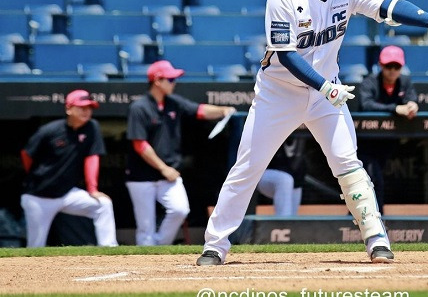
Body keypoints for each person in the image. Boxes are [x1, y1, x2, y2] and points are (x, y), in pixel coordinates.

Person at [196, 0, 428, 266]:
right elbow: (286, 55)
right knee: (248, 167)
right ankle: (215, 244)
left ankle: (376, 238)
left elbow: (387, 5)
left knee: (348, 163)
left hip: (326, 93)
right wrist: (324, 85)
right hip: (281, 93)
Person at [125, 60, 235, 246]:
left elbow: (199, 111)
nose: (174, 82)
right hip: (142, 176)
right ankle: (146, 257)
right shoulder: (139, 107)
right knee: (146, 227)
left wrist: (222, 110)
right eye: (170, 79)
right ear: (158, 81)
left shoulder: (173, 102)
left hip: (169, 174)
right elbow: (139, 144)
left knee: (180, 209)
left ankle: (158, 246)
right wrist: (163, 168)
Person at [20, 89, 118, 248]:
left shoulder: (92, 127)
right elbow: (26, 154)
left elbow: (92, 158)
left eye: (89, 108)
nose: (86, 111)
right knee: (36, 247)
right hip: (39, 196)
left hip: (66, 194)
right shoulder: (50, 130)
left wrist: (93, 189)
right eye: (81, 107)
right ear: (68, 109)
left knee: (103, 204)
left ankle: (109, 250)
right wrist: (36, 176)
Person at [358, 45, 418, 213]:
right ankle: (375, 217)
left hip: (388, 141)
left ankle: (363, 215)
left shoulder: (405, 81)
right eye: (388, 66)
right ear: (381, 65)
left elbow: (412, 99)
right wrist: (395, 109)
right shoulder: (370, 82)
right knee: (371, 178)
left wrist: (413, 105)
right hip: (366, 142)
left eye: (396, 67)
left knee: (375, 179)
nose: (392, 71)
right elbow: (366, 104)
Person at [256, 134, 306, 216]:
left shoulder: (302, 134)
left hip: (293, 180)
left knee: (292, 216)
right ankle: (282, 223)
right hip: (261, 174)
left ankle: (288, 225)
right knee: (285, 179)